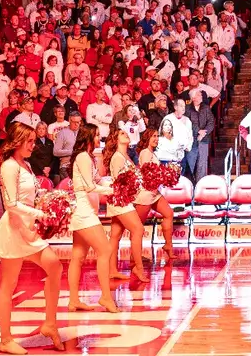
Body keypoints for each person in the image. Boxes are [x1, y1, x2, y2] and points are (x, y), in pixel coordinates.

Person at [0, 122, 67, 354]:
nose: (33, 145)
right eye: (29, 141)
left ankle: (50, 323)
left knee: (55, 267)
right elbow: (11, 204)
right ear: (17, 141)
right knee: (9, 285)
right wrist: (40, 213)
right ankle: (5, 339)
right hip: (14, 229)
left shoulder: (27, 165)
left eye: (33, 141)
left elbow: (34, 195)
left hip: (30, 229)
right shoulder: (9, 166)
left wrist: (53, 202)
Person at [65, 124, 118, 314]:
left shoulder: (89, 157)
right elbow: (88, 187)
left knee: (78, 257)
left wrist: (115, 181)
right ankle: (105, 296)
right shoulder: (82, 157)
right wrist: (113, 190)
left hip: (88, 210)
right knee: (104, 251)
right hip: (83, 210)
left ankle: (73, 300)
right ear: (88, 137)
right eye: (96, 136)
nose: (99, 139)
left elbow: (97, 181)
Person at [101, 129, 149, 285]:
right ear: (116, 140)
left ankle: (112, 270)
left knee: (115, 234)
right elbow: (119, 182)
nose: (126, 134)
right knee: (138, 229)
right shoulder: (117, 158)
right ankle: (138, 268)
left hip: (125, 198)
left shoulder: (125, 156)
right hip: (120, 199)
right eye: (122, 133)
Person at [135, 128, 179, 267]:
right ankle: (134, 255)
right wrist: (163, 175)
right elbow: (147, 174)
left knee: (169, 213)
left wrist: (167, 175)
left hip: (154, 193)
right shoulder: (144, 153)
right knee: (137, 227)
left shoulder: (152, 153)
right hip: (146, 194)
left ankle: (168, 246)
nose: (156, 139)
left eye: (157, 136)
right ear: (147, 137)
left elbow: (155, 173)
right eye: (153, 136)